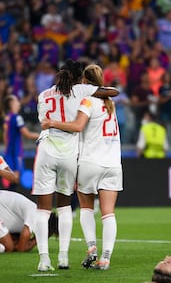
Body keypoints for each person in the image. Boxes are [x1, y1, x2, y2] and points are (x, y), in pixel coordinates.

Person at [33, 59, 119, 272]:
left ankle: (46, 259)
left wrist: (52, 123)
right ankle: (69, 257)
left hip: (52, 151)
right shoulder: (89, 94)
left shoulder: (44, 95)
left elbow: (51, 121)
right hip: (88, 159)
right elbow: (111, 91)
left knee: (45, 210)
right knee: (72, 208)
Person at [3, 94, 39, 190]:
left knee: (11, 178)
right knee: (16, 178)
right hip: (16, 152)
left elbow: (5, 135)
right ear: (11, 103)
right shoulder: (17, 118)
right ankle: (12, 202)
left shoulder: (7, 118)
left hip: (9, 152)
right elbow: (27, 134)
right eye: (16, 101)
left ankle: (9, 201)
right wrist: (41, 136)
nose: (19, 103)